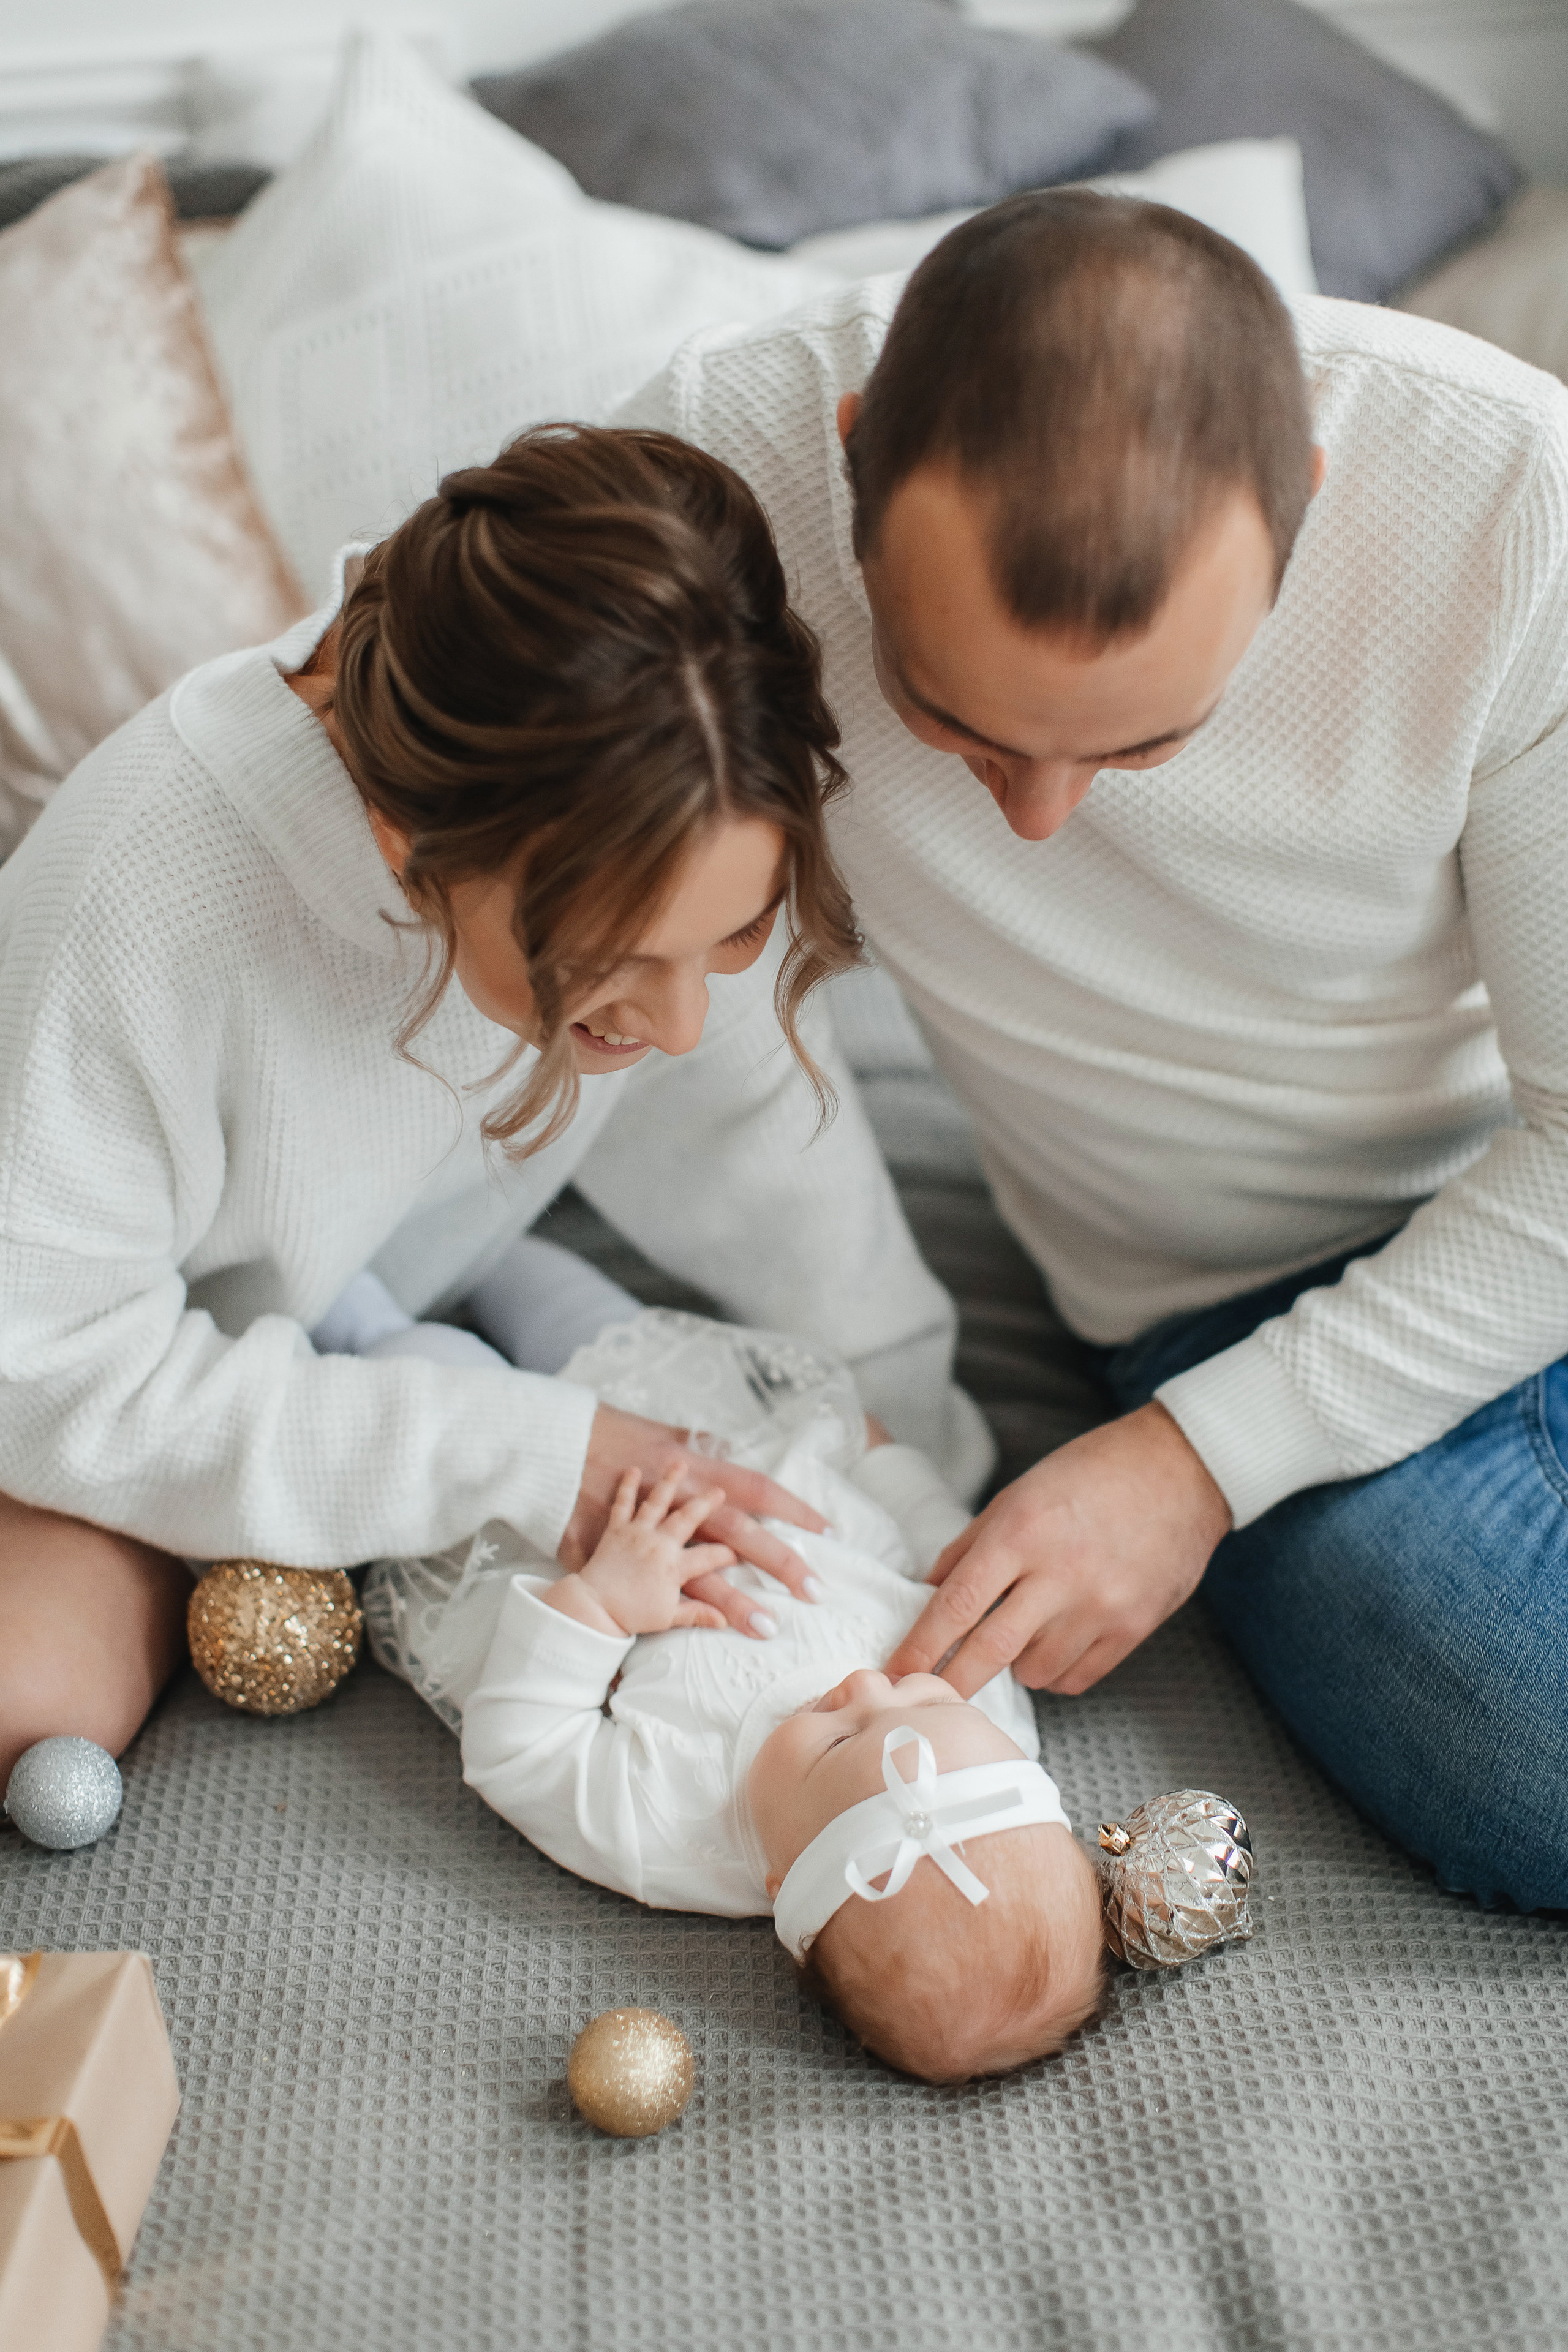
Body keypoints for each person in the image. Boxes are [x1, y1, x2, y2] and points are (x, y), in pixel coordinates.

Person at [617, 190, 1568, 1910]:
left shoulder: (1512, 505)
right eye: (950, 719)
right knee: (1531, 1759)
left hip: (1516, 1170)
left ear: (1308, 516)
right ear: (847, 463)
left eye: (1150, 740)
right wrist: (1201, 1439)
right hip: (1217, 1287)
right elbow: (391, 706)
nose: (1039, 823)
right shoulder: (705, 476)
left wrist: (1201, 1466)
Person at [0, 426, 987, 1787]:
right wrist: (523, 1454)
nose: (682, 1022)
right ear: (413, 847)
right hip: (88, 1345)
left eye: (729, 940)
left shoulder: (670, 785)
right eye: (614, 967)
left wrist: (923, 1483)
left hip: (345, 1328)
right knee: (31, 1690)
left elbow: (758, 1149)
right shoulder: (139, 895)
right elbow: (41, 1370)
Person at [437, 1324, 1105, 2083]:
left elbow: (522, 1753)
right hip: (728, 1438)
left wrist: (601, 1602)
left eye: (836, 1740)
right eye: (926, 1701)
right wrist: (886, 1466)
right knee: (582, 1311)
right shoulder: (994, 1718)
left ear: (783, 1880)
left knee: (436, 1357)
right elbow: (948, 1561)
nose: (867, 1687)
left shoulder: (676, 1829)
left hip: (566, 1521)